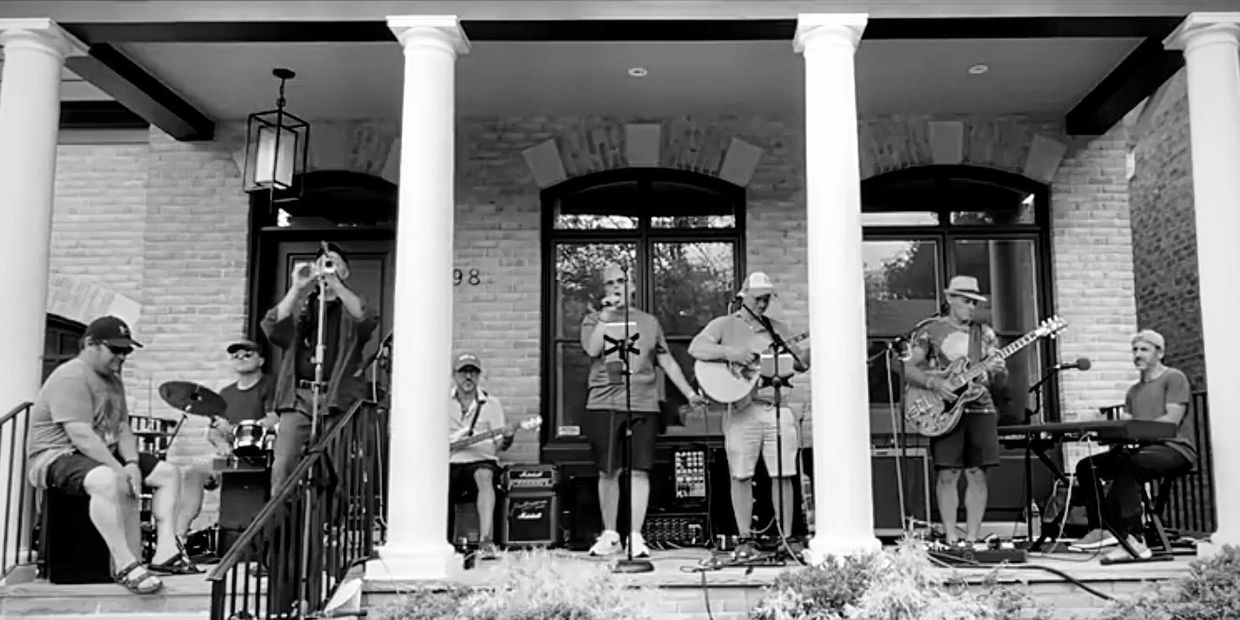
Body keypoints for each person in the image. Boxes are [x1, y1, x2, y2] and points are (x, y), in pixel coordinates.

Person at [25, 316, 190, 594]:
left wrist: (133, 464)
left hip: (96, 451)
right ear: (90, 344)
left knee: (167, 474)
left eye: (127, 350)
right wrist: (118, 469)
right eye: (116, 349)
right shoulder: (71, 376)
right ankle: (126, 564)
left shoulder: (114, 380)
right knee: (104, 479)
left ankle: (165, 552)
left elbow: (123, 427)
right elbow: (80, 435)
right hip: (54, 455)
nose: (122, 356)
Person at [580, 263, 704, 558]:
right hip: (604, 401)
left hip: (643, 401)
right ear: (604, 289)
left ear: (632, 287)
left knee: (639, 469)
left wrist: (688, 392)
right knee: (608, 470)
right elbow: (591, 349)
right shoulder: (593, 318)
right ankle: (611, 534)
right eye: (610, 282)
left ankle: (635, 536)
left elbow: (666, 359)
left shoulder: (648, 321)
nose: (616, 287)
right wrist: (606, 317)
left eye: (621, 281)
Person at [689, 272, 810, 559]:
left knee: (784, 473)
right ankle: (744, 537)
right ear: (744, 296)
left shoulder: (776, 328)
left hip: (776, 407)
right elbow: (697, 347)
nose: (763, 304)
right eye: (758, 298)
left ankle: (786, 536)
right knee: (740, 474)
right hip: (742, 409)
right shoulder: (724, 324)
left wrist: (803, 352)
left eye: (767, 298)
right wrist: (732, 353)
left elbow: (801, 364)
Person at [262, 243, 377, 492]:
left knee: (342, 468)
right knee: (283, 466)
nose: (327, 269)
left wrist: (336, 284)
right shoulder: (303, 305)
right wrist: (296, 286)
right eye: (324, 263)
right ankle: (283, 527)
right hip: (299, 397)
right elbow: (273, 327)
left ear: (344, 271)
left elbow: (365, 320)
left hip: (337, 397)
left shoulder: (350, 305)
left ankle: (335, 526)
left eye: (334, 263)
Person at [1071, 329, 1195, 560]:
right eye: (1135, 350)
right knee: (1087, 466)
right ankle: (1102, 529)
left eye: (1144, 349)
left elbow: (1171, 421)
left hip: (1175, 449)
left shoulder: (1173, 378)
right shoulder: (1133, 391)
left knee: (1131, 467)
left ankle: (1135, 540)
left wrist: (1136, 432)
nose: (1138, 354)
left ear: (1160, 353)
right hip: (1142, 450)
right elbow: (1127, 425)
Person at [902, 275, 1007, 546]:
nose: (971, 306)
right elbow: (907, 367)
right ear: (949, 299)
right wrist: (933, 382)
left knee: (977, 472)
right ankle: (950, 536)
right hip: (944, 409)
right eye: (966, 301)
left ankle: (971, 539)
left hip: (980, 407)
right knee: (947, 472)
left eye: (975, 302)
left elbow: (1001, 380)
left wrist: (997, 371)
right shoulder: (930, 330)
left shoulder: (984, 333)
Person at [176, 339, 277, 539]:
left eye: (247, 354)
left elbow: (274, 418)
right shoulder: (225, 394)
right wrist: (221, 443)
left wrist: (234, 430)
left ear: (261, 360)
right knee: (193, 470)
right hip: (230, 457)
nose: (241, 357)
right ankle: (178, 535)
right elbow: (214, 430)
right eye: (235, 355)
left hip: (261, 456)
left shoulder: (270, 384)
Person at [448, 353, 513, 560]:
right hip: (450, 462)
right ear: (454, 375)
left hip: (481, 460)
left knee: (484, 475)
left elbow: (500, 446)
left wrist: (508, 438)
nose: (468, 377)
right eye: (463, 372)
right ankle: (444, 542)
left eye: (473, 372)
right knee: (438, 482)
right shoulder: (442, 403)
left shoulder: (491, 404)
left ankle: (486, 540)